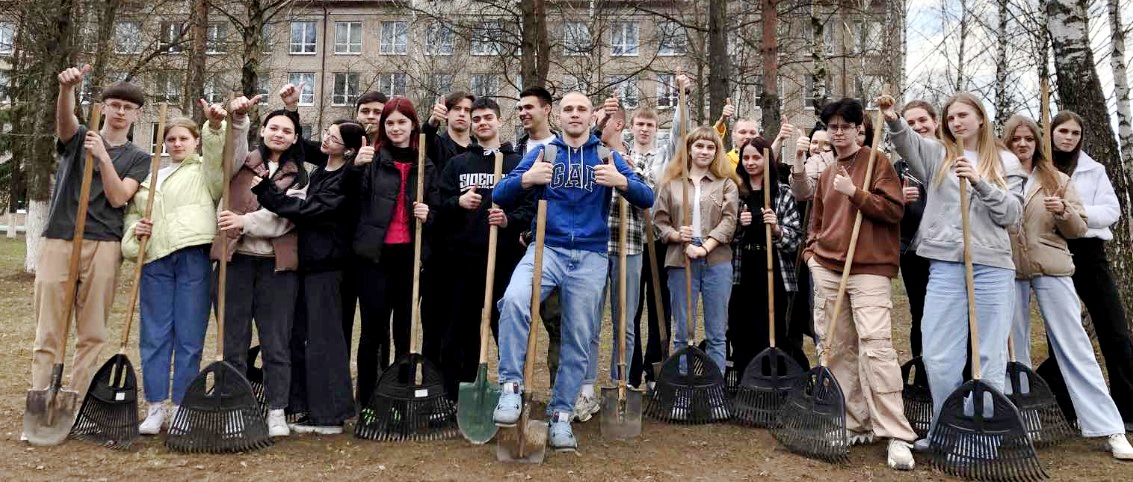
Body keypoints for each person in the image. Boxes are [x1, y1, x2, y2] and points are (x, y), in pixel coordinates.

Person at [491, 91, 653, 451]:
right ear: (558, 117)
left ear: (591, 116)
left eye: (581, 109)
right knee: (514, 300)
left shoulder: (607, 156)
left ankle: (562, 415)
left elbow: (647, 197)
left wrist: (621, 181)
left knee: (579, 336)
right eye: (568, 109)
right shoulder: (543, 153)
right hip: (547, 248)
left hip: (590, 256)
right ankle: (511, 387)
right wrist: (528, 178)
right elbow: (500, 194)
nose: (575, 114)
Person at [880, 92, 1024, 451]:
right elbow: (908, 143)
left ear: (980, 118)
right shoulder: (938, 155)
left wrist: (979, 182)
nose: (956, 122)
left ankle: (984, 434)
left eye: (963, 115)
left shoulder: (1005, 161)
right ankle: (947, 428)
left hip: (991, 266)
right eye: (951, 117)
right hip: (945, 264)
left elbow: (1011, 215)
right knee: (938, 353)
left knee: (988, 355)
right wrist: (893, 118)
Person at [1003, 115, 1133, 459]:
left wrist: (1063, 211)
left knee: (1074, 345)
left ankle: (1109, 426)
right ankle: (1025, 420)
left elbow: (1078, 228)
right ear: (1007, 142)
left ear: (1037, 142)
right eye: (1016, 139)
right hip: (1010, 269)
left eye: (1028, 139)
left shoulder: (1056, 179)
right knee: (1015, 350)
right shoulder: (996, 177)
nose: (1022, 144)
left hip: (1052, 266)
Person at [124, 97, 249, 435]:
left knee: (190, 336)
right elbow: (133, 217)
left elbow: (217, 154)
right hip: (155, 260)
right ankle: (155, 407)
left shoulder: (205, 172)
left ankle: (183, 407)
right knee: (154, 335)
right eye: (171, 139)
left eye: (183, 138)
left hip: (193, 257)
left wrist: (214, 127)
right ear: (164, 143)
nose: (177, 144)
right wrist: (136, 231)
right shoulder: (150, 177)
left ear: (195, 142)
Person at [804, 98, 915, 469]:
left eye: (845, 126)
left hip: (869, 266)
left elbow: (894, 210)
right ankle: (854, 422)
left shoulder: (877, 163)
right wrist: (811, 255)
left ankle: (896, 433)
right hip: (829, 267)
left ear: (858, 129)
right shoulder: (826, 172)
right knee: (837, 348)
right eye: (832, 127)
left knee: (876, 347)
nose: (838, 132)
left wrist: (855, 193)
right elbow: (816, 222)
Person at [32, 65, 151, 407]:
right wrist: (66, 89)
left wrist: (103, 157)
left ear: (136, 114)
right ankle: (41, 398)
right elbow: (64, 122)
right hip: (60, 238)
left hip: (104, 244)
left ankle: (75, 400)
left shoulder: (139, 158)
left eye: (128, 107)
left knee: (93, 331)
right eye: (115, 105)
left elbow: (118, 197)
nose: (120, 112)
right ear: (104, 107)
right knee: (49, 328)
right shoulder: (79, 138)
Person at [252, 119, 364, 434]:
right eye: (327, 133)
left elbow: (308, 211)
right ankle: (307, 407)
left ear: (349, 150)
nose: (325, 139)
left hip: (328, 266)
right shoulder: (321, 171)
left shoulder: (346, 179)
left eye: (334, 138)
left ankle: (330, 416)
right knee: (304, 336)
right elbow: (300, 144)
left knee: (324, 339)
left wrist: (266, 191)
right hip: (310, 263)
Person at [213, 107, 312, 438]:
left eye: (287, 130)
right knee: (233, 340)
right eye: (274, 128)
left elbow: (284, 219)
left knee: (276, 341)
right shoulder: (241, 163)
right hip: (236, 262)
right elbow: (232, 145)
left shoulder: (300, 177)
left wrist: (243, 221)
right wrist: (238, 121)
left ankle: (276, 409)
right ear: (263, 130)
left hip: (276, 267)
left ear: (295, 139)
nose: (279, 134)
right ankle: (234, 406)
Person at [435, 98, 533, 400]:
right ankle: (456, 396)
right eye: (476, 119)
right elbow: (439, 208)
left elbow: (530, 208)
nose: (481, 123)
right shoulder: (458, 164)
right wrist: (459, 202)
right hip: (463, 261)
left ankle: (511, 392)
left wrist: (508, 220)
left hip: (504, 261)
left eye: (488, 117)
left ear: (499, 121)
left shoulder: (517, 164)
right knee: (458, 332)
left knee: (506, 330)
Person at [280, 85, 386, 354]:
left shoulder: (392, 152)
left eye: (377, 112)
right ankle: (336, 372)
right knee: (337, 323)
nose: (371, 116)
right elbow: (302, 147)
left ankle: (372, 379)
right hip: (339, 253)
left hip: (375, 252)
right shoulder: (338, 152)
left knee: (376, 325)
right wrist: (291, 110)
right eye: (365, 111)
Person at [1047, 110, 1133, 430]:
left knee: (1113, 327)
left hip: (1089, 251)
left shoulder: (1093, 169)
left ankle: (1127, 404)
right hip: (1055, 250)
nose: (1068, 138)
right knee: (1063, 330)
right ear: (1051, 133)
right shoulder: (1041, 168)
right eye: (1063, 131)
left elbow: (1111, 211)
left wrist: (1075, 212)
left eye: (1075, 133)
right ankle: (1065, 403)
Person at [351, 97, 439, 409]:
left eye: (402, 122)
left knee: (404, 333)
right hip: (375, 258)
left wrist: (429, 214)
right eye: (390, 122)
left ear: (413, 125)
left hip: (409, 258)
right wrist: (355, 168)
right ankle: (368, 401)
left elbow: (438, 210)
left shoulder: (425, 163)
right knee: (372, 332)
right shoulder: (372, 160)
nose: (396, 128)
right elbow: (353, 202)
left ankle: (401, 400)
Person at [653, 125, 739, 385]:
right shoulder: (672, 184)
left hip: (717, 259)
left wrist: (704, 247)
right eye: (699, 146)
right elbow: (659, 222)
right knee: (683, 331)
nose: (704, 151)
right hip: (681, 259)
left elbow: (729, 220)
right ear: (689, 150)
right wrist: (678, 236)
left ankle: (715, 389)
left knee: (717, 332)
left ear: (716, 152)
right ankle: (683, 387)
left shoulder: (726, 184)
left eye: (710, 147)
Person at [729, 137, 808, 377]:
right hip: (742, 270)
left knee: (771, 327)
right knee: (741, 327)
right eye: (746, 157)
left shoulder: (781, 192)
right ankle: (746, 380)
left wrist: (776, 229)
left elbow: (795, 239)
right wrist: (739, 226)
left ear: (767, 160)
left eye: (756, 157)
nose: (750, 162)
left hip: (773, 269)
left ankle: (772, 379)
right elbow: (725, 235)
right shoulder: (735, 192)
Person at [421, 91, 479, 367]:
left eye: (468, 110)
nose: (462, 114)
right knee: (434, 320)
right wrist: (432, 123)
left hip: (471, 246)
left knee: (468, 321)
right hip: (439, 246)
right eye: (457, 109)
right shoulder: (437, 145)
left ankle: (465, 380)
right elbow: (422, 144)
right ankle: (433, 380)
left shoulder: (478, 152)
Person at [513, 86, 566, 386]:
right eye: (520, 108)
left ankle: (558, 392)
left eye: (528, 107)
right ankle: (515, 389)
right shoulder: (514, 152)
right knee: (513, 316)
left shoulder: (563, 150)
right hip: (512, 246)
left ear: (546, 110)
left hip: (550, 246)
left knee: (557, 322)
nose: (523, 113)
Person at [894, 100, 936, 360]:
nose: (918, 126)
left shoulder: (950, 159)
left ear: (935, 122)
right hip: (914, 251)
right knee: (920, 312)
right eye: (910, 123)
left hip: (948, 250)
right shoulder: (900, 169)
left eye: (923, 120)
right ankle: (921, 368)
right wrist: (898, 200)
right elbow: (888, 214)